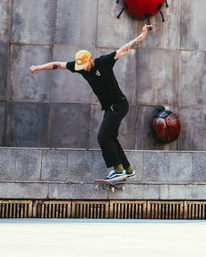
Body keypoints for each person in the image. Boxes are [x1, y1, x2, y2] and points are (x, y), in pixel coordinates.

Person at [29, 24, 152, 182]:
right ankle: (127, 169)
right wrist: (39, 67)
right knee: (111, 138)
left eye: (85, 65)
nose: (84, 69)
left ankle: (118, 170)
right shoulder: (79, 67)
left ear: (91, 60)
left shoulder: (104, 62)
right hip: (111, 108)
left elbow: (124, 49)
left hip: (119, 104)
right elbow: (58, 64)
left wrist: (141, 36)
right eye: (81, 66)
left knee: (102, 137)